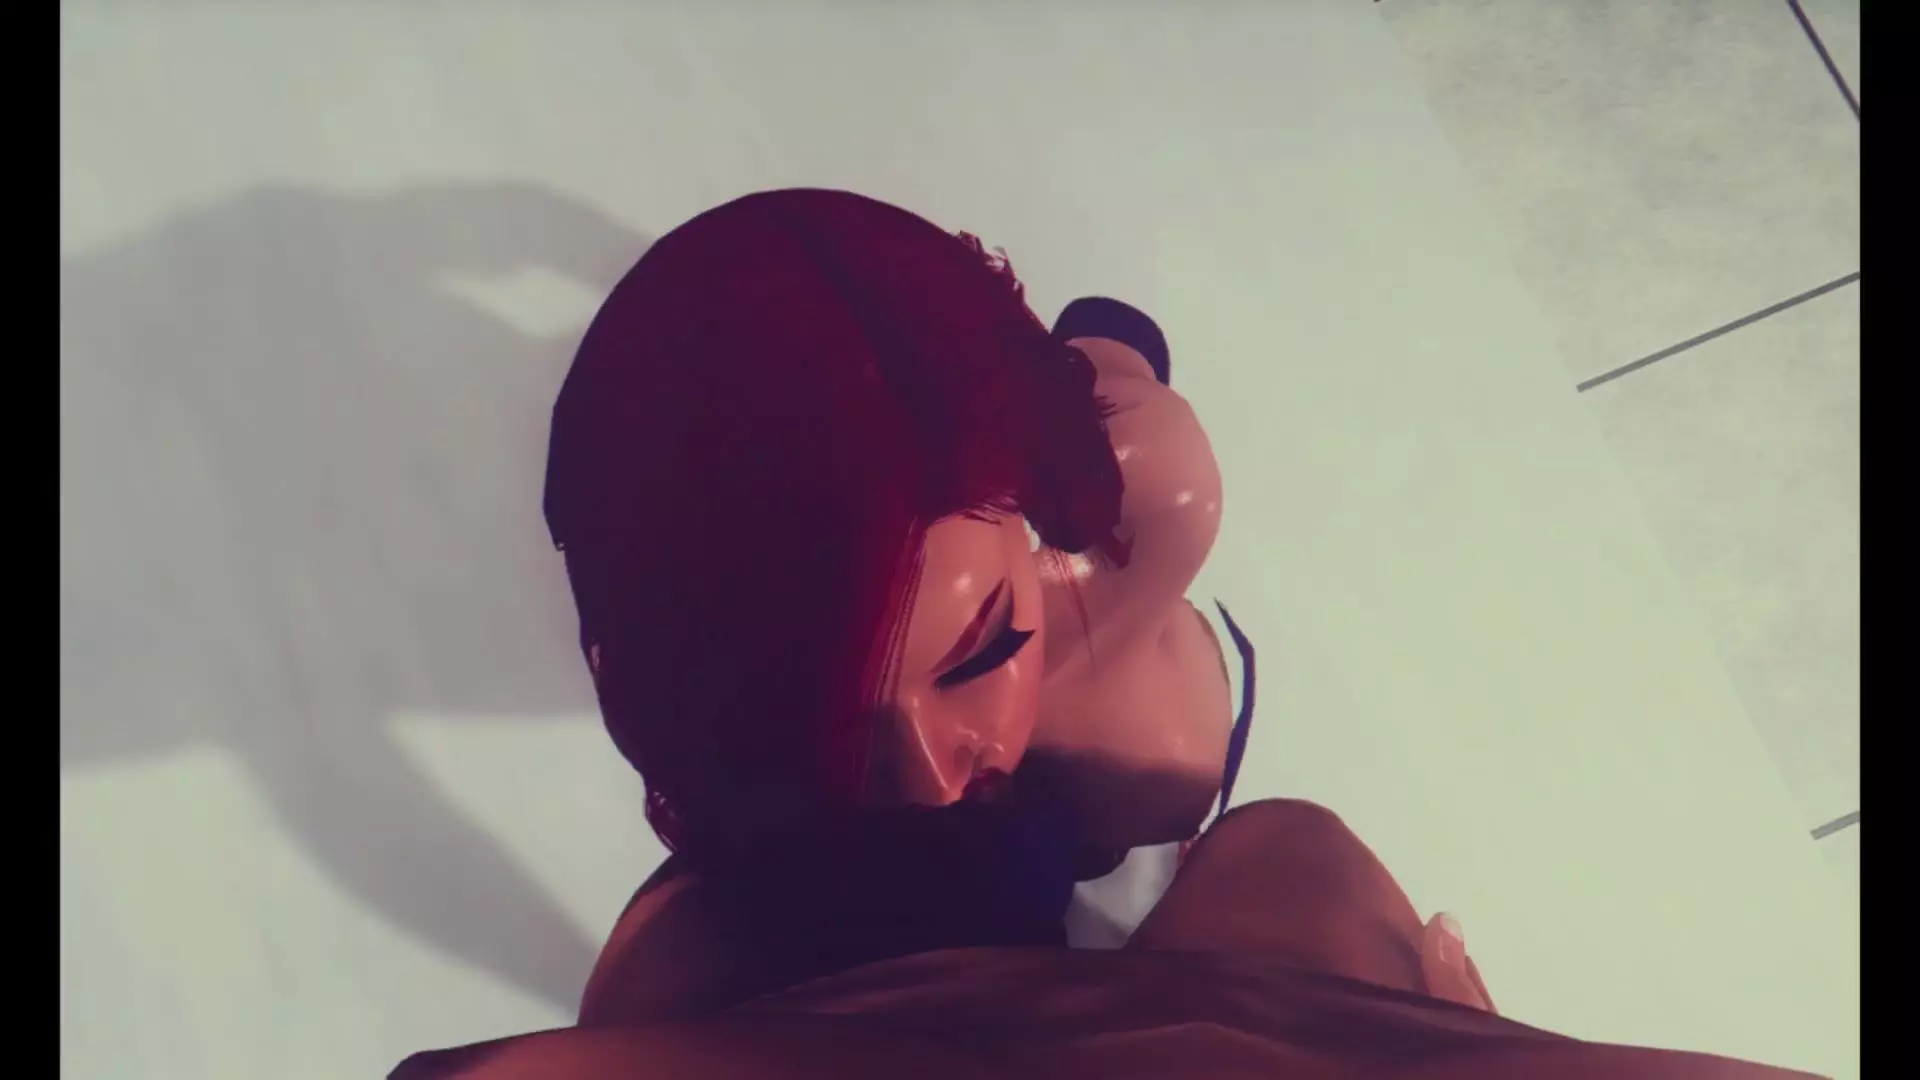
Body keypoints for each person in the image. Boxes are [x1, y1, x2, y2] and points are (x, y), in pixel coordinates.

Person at [391, 189, 1823, 1079]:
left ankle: (1092, 359)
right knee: (1280, 858)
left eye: (980, 652)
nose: (931, 771)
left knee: (1211, 776)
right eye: (797, 707)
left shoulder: (1143, 531)